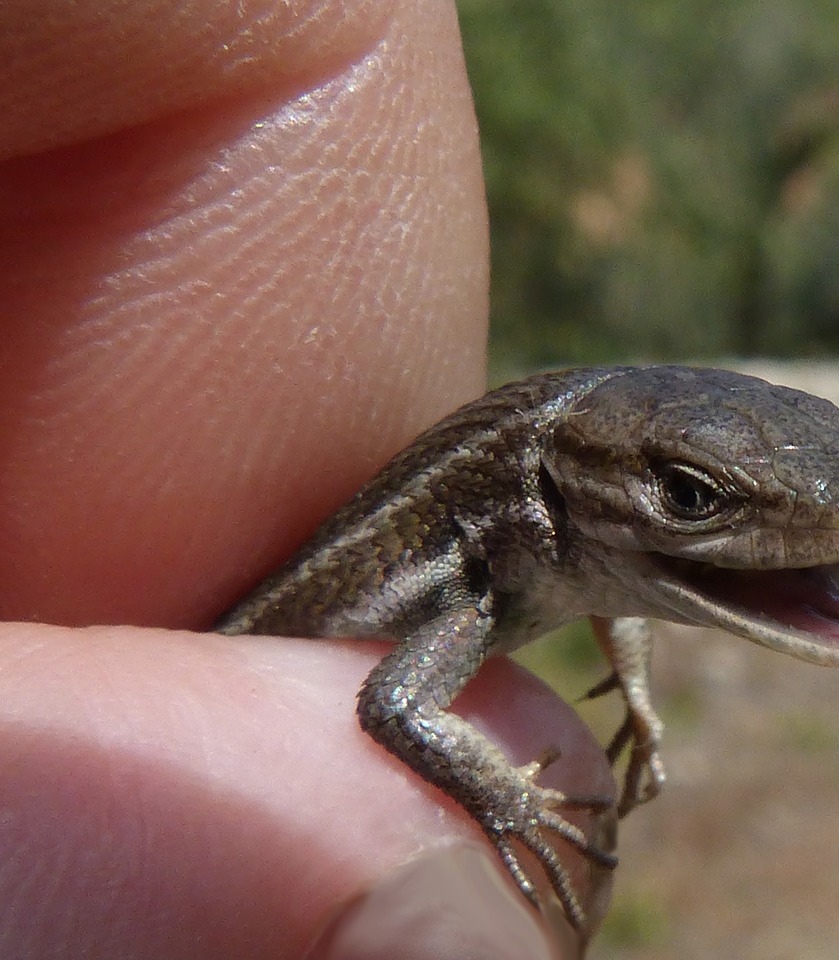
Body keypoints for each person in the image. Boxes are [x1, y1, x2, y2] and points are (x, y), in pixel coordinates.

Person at [0, 2, 610, 956]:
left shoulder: (550, 540)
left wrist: (637, 686)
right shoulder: (470, 597)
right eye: (690, 498)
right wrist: (510, 798)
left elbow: (625, 572)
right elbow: (394, 706)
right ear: (546, 502)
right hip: (219, 658)